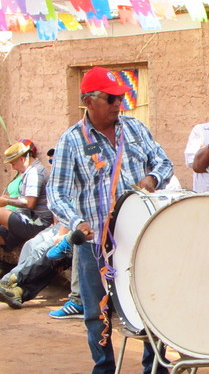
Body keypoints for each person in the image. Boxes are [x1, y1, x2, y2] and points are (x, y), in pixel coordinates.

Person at [46, 66, 173, 374]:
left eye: (121, 98)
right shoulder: (71, 141)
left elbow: (163, 162)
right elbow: (57, 193)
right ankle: (103, 368)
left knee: (151, 302)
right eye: (111, 98)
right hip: (95, 243)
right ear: (88, 101)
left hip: (142, 235)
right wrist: (77, 222)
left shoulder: (135, 128)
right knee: (95, 312)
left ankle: (154, 367)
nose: (118, 104)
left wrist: (153, 178)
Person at [0, 140, 53, 254]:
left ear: (22, 160)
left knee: (1, 213)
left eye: (13, 164)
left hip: (38, 224)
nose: (13, 168)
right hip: (29, 219)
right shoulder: (32, 171)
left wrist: (6, 201)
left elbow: (29, 203)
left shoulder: (34, 172)